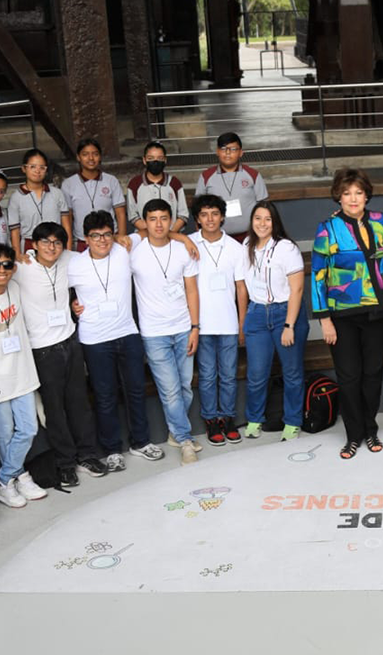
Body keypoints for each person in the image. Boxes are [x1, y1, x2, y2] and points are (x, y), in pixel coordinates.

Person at [0, 221, 107, 484]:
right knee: (54, 410)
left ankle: (87, 454)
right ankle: (65, 462)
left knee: (79, 404)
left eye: (57, 242)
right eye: (45, 241)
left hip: (70, 341)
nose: (52, 247)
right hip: (41, 350)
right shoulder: (20, 267)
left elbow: (98, 251)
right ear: (33, 245)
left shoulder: (70, 259)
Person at [67, 210, 165, 469]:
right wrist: (72, 304)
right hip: (95, 339)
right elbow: (52, 287)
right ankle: (112, 450)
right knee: (105, 396)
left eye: (107, 234)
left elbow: (152, 230)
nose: (102, 240)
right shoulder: (74, 264)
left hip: (127, 333)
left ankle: (140, 442)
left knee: (136, 390)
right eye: (95, 236)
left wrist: (185, 239)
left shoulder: (124, 250)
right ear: (85, 238)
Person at [311, 167, 383, 460]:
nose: (353, 198)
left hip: (379, 313)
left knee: (373, 376)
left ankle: (370, 429)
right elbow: (318, 275)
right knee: (349, 378)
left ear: (366, 195)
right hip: (342, 316)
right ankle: (352, 435)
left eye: (358, 192)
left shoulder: (381, 221)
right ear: (338, 196)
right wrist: (324, 320)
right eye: (347, 193)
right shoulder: (327, 228)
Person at [0, 244, 48, 510]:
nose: (1, 270)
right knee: (5, 433)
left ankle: (4, 480)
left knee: (28, 429)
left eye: (7, 264)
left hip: (22, 372)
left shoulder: (16, 287)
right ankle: (18, 477)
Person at [130, 200, 201, 465]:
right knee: (170, 391)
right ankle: (184, 439)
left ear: (171, 221)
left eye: (163, 218)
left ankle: (175, 431)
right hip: (154, 333)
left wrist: (195, 327)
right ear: (144, 222)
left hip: (183, 328)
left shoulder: (183, 250)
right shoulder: (134, 250)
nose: (158, 224)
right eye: (152, 219)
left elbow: (192, 290)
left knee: (185, 387)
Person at [240, 200, 310, 441]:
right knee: (257, 373)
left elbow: (297, 289)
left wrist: (289, 325)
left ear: (275, 222)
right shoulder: (246, 245)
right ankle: (254, 418)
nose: (262, 223)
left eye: (267, 219)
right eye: (257, 218)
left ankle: (292, 421)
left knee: (292, 372)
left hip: (285, 313)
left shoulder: (286, 248)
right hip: (257, 313)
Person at [190, 194, 247, 446]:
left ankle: (228, 418)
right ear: (197, 219)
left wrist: (242, 322)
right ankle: (211, 419)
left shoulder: (236, 248)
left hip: (228, 323)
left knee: (228, 375)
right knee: (207, 375)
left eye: (214, 214)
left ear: (222, 216)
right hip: (201, 324)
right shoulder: (189, 244)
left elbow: (241, 288)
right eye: (204, 214)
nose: (210, 219)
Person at [196, 131, 268, 239]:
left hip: (249, 236)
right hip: (216, 237)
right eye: (223, 149)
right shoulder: (206, 177)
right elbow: (198, 210)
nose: (228, 153)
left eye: (233, 149)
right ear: (217, 152)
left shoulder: (253, 175)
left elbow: (264, 207)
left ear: (241, 152)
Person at [61, 139, 126, 249]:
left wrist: (122, 239)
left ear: (100, 157)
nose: (91, 158)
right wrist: (68, 247)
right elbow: (68, 219)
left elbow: (121, 214)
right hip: (82, 241)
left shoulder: (111, 180)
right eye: (85, 154)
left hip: (109, 239)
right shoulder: (68, 184)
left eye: (95, 154)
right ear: (78, 157)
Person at [7, 148, 70, 259]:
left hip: (55, 246)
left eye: (42, 167)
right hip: (29, 247)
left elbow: (66, 225)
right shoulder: (16, 198)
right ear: (24, 168)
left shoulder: (57, 193)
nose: (37, 171)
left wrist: (68, 251)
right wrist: (18, 256)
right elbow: (15, 231)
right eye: (33, 167)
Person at [127, 140, 189, 235]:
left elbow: (183, 214)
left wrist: (169, 233)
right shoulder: (135, 184)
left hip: (172, 236)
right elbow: (133, 215)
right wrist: (152, 234)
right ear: (144, 160)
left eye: (160, 158)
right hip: (145, 237)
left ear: (165, 160)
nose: (155, 161)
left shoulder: (174, 183)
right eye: (150, 158)